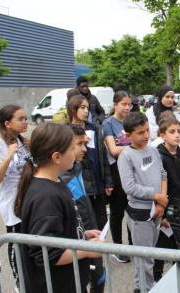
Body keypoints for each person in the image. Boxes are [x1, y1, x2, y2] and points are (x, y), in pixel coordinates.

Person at [14, 123, 103, 293]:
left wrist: (82, 234)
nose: (77, 152)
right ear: (56, 157)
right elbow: (49, 253)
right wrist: (88, 249)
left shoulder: (54, 181)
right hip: (58, 285)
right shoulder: (46, 196)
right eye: (71, 148)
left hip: (70, 282)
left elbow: (56, 233)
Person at [118, 112, 168, 292]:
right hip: (140, 214)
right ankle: (146, 288)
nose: (146, 135)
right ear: (128, 135)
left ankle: (141, 288)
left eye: (147, 130)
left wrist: (162, 201)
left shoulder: (153, 150)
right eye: (140, 132)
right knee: (145, 259)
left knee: (149, 255)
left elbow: (163, 174)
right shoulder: (126, 156)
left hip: (157, 209)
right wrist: (156, 196)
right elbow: (129, 187)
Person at [0, 105, 30, 290]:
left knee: (31, 243)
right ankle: (20, 283)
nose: (25, 121)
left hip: (29, 201)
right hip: (13, 205)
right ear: (7, 123)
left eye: (26, 118)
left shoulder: (23, 142)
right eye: (21, 119)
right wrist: (7, 158)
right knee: (17, 246)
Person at [60, 124, 105, 293]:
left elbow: (84, 204)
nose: (84, 149)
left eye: (84, 143)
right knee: (85, 281)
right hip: (78, 244)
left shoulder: (78, 166)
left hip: (87, 233)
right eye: (79, 144)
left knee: (100, 277)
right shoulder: (60, 177)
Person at [153, 115, 180, 282]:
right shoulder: (158, 156)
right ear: (162, 135)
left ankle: (177, 280)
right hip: (165, 213)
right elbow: (157, 187)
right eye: (172, 132)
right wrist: (162, 214)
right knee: (160, 249)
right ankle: (156, 279)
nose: (177, 135)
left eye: (178, 131)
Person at [67, 95, 113, 233]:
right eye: (82, 107)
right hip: (82, 184)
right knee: (87, 220)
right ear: (73, 109)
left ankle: (102, 250)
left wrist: (108, 181)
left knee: (102, 221)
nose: (86, 111)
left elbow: (103, 155)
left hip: (98, 181)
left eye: (87, 107)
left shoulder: (95, 128)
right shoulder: (66, 131)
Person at [103, 90, 133, 263]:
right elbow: (113, 150)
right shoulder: (108, 123)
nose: (127, 108)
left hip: (133, 170)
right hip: (116, 172)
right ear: (115, 104)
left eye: (129, 104)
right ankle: (118, 247)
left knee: (132, 210)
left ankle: (131, 245)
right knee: (117, 212)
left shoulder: (131, 121)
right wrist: (134, 146)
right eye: (124, 104)